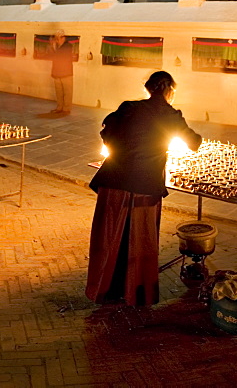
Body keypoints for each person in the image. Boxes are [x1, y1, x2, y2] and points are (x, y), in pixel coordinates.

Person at [86, 71, 202, 306]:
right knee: (140, 238)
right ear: (170, 91)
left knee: (110, 236)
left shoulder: (128, 107)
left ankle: (105, 288)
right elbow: (194, 143)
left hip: (114, 181)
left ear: (148, 89)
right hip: (144, 185)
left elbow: (106, 132)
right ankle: (135, 292)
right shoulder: (171, 115)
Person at [48, 30, 73, 114]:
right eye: (56, 39)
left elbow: (60, 56)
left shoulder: (68, 46)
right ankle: (59, 108)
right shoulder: (56, 47)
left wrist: (54, 47)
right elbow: (53, 57)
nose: (57, 40)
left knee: (67, 93)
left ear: (63, 38)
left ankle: (66, 109)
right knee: (59, 93)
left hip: (66, 74)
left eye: (58, 38)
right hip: (57, 73)